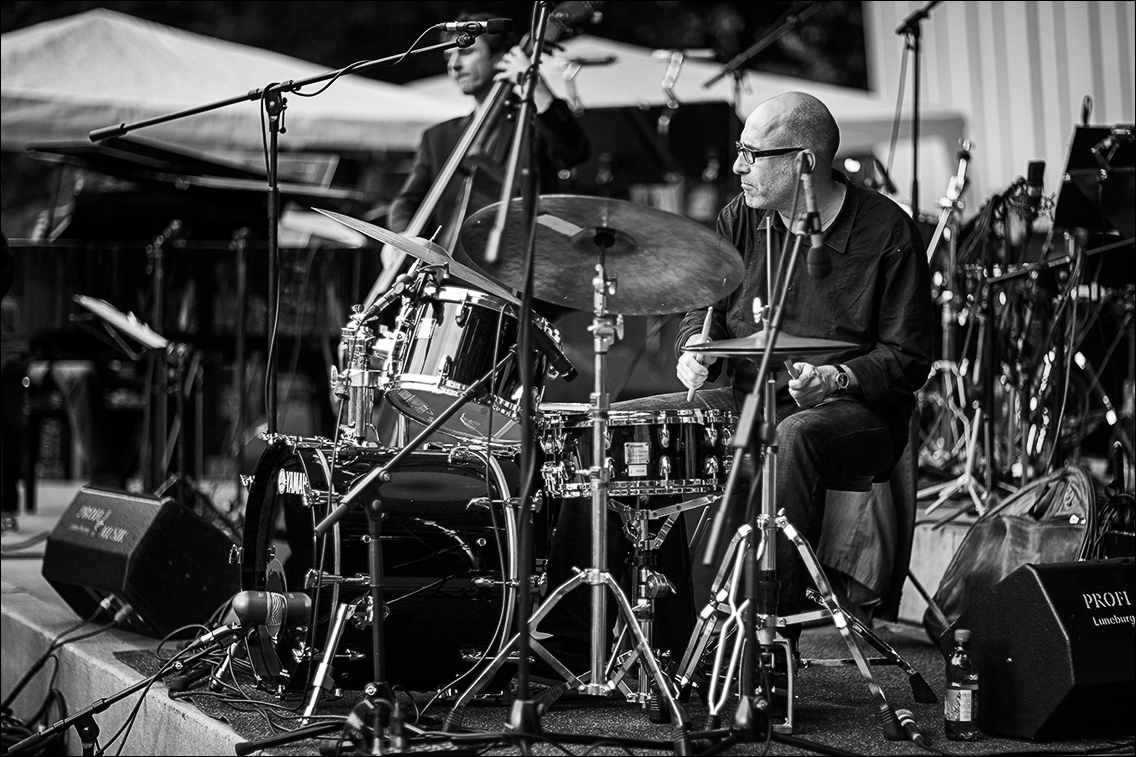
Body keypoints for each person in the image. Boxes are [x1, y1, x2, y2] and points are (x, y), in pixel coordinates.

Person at [541, 91, 936, 662]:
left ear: (803, 161)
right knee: (619, 426)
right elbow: (702, 313)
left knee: (793, 437)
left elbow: (909, 357)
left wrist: (838, 380)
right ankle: (586, 636)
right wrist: (691, 349)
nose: (737, 166)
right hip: (744, 397)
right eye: (739, 150)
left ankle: (761, 636)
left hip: (855, 417)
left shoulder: (888, 231)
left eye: (752, 153)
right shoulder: (740, 219)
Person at [386, 13, 590, 270]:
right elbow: (406, 201)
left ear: (501, 58)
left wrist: (534, 84)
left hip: (521, 275)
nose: (454, 65)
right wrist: (403, 236)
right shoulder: (437, 137)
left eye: (466, 52)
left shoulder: (534, 120)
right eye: (449, 56)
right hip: (447, 278)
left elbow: (574, 151)